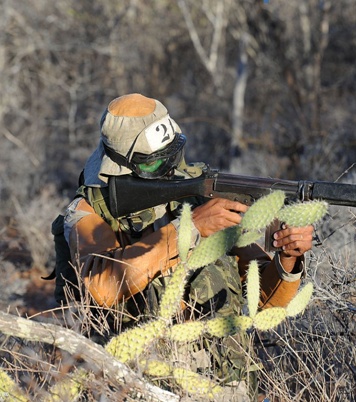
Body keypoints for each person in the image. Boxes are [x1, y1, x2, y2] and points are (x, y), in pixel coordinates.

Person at [62, 93, 314, 395]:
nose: (170, 170)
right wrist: (190, 227)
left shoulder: (196, 197)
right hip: (139, 385)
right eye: (156, 165)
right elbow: (103, 287)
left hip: (223, 383)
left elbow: (263, 303)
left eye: (173, 156)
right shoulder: (89, 211)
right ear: (120, 166)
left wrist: (287, 258)